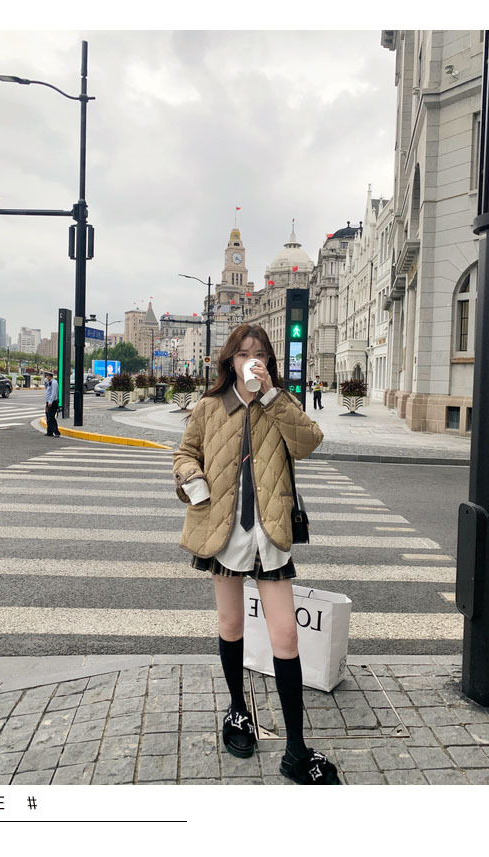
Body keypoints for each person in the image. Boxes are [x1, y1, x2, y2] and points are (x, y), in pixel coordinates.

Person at [172, 324, 340, 785]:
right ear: (231, 361)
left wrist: (270, 396)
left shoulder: (280, 403)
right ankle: (238, 710)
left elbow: (308, 443)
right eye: (245, 353)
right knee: (231, 626)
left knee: (286, 636)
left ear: (269, 361)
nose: (253, 360)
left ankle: (296, 749)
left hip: (270, 533)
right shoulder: (210, 406)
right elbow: (184, 454)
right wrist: (192, 480)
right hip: (224, 531)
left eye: (261, 353)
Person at [43, 370, 61, 437]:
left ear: (50, 376)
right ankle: (49, 432)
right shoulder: (49, 382)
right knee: (48, 417)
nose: (46, 377)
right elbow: (47, 390)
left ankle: (56, 432)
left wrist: (50, 401)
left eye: (47, 376)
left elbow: (54, 393)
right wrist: (45, 382)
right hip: (48, 401)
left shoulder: (54, 383)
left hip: (53, 402)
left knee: (51, 417)